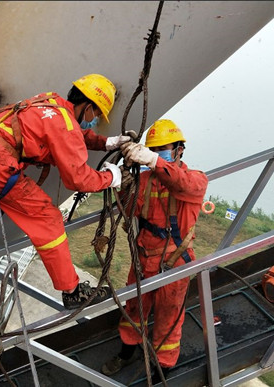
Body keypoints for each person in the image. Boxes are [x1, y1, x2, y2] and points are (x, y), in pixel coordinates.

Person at [0, 74, 133, 312]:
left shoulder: (51, 102)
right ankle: (72, 292)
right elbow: (78, 178)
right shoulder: (64, 123)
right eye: (96, 115)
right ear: (88, 107)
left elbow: (69, 134)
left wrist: (106, 143)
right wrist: (111, 178)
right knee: (48, 219)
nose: (94, 121)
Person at [101, 119, 208, 382]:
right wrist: (123, 185)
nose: (158, 151)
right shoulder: (146, 180)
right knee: (134, 309)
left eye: (164, 148)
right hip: (143, 258)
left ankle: (162, 368)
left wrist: (154, 161)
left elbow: (180, 184)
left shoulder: (195, 179)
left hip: (175, 261)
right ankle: (127, 352)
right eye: (154, 148)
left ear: (179, 149)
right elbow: (130, 211)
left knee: (167, 317)